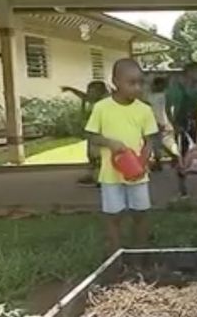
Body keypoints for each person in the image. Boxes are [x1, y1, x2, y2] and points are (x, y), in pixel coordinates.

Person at [85, 59, 158, 253]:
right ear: (115, 81)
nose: (137, 87)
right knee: (113, 215)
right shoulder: (101, 108)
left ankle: (142, 252)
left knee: (141, 213)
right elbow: (91, 134)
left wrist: (141, 164)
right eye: (131, 83)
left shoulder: (144, 110)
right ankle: (116, 254)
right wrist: (110, 143)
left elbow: (150, 140)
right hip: (110, 174)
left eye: (140, 83)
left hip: (138, 172)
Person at [165, 62, 197, 196]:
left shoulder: (196, 91)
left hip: (194, 124)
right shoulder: (175, 90)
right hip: (181, 125)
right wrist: (174, 126)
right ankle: (182, 186)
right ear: (189, 73)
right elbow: (168, 110)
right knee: (182, 156)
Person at [61, 81, 109, 187]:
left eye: (91, 91)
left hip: (102, 133)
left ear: (99, 91)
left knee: (98, 156)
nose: (89, 94)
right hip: (94, 132)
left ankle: (100, 179)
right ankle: (95, 176)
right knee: (93, 155)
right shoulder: (97, 101)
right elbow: (85, 97)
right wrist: (71, 89)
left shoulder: (105, 102)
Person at [146, 76, 171, 172]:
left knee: (156, 143)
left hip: (159, 121)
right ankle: (155, 162)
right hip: (150, 121)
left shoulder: (162, 96)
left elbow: (163, 110)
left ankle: (157, 162)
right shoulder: (150, 95)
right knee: (152, 142)